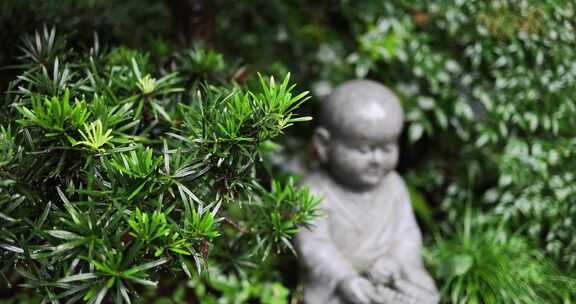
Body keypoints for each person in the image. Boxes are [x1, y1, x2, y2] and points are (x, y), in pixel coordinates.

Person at [295, 79, 439, 304]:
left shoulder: (394, 186)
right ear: (324, 144)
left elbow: (407, 235)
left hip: (387, 278)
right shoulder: (313, 191)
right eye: (363, 149)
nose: (377, 159)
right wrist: (345, 278)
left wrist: (395, 262)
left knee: (422, 293)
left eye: (387, 148)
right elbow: (313, 246)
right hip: (337, 284)